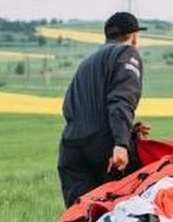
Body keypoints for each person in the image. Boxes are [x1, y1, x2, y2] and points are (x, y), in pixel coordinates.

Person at [57, 11, 150, 207]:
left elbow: (70, 105)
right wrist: (122, 143)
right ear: (133, 36)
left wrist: (129, 130)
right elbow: (121, 100)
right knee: (121, 209)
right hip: (103, 146)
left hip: (71, 146)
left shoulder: (87, 62)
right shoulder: (127, 53)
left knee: (80, 215)